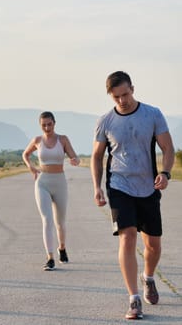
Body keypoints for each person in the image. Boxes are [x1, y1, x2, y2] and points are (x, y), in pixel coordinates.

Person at [90, 71, 174, 320]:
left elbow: (168, 148)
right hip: (119, 185)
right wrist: (97, 187)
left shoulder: (152, 114)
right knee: (127, 237)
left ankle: (148, 277)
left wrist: (166, 173)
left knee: (153, 245)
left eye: (125, 94)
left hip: (148, 187)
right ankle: (134, 299)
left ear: (133, 89)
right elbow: (97, 157)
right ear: (110, 96)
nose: (122, 100)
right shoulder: (105, 121)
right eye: (116, 97)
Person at [22, 111, 80, 271]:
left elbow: (74, 156)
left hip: (59, 182)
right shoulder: (37, 140)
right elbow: (25, 154)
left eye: (49, 124)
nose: (47, 127)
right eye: (43, 125)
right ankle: (50, 257)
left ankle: (62, 248)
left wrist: (75, 160)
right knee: (47, 220)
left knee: (60, 222)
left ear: (54, 123)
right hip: (42, 182)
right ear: (40, 125)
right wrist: (31, 167)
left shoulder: (63, 140)